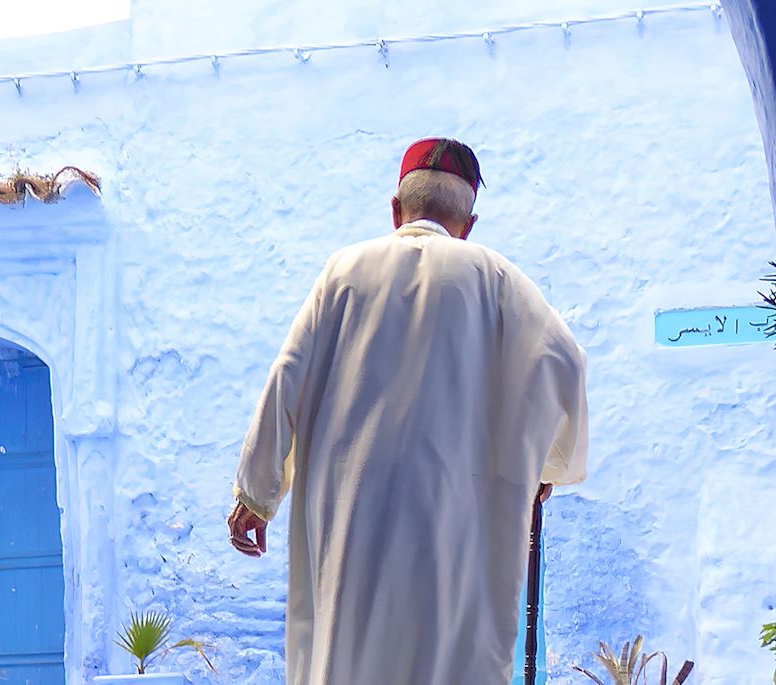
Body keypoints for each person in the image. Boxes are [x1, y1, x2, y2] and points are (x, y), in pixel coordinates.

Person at [226, 137, 590, 685]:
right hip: (453, 543)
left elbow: (286, 379)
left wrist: (256, 495)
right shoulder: (498, 280)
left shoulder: (343, 273)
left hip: (353, 537)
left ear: (395, 210)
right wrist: (547, 468)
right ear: (468, 223)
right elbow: (566, 363)